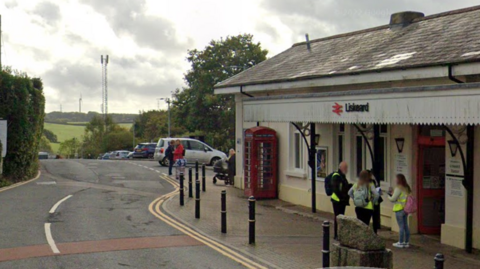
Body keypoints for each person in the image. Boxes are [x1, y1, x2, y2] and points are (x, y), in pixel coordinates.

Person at [388, 174, 412, 248]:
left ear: (398, 180)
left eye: (396, 179)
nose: (395, 180)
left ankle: (400, 242)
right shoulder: (407, 187)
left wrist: (388, 196)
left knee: (401, 226)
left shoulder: (398, 188)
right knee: (405, 226)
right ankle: (406, 242)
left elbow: (393, 199)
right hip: (405, 209)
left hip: (399, 209)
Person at [331, 161, 351, 240]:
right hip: (337, 201)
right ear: (341, 167)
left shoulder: (342, 176)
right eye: (345, 167)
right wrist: (342, 198)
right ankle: (336, 235)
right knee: (338, 217)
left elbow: (344, 187)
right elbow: (336, 189)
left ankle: (340, 234)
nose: (346, 169)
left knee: (341, 218)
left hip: (342, 201)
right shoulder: (337, 176)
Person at [369, 170, 383, 234]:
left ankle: (375, 231)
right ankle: (374, 232)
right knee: (373, 218)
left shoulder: (373, 181)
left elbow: (377, 191)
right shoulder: (371, 182)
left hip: (373, 203)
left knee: (374, 218)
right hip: (373, 203)